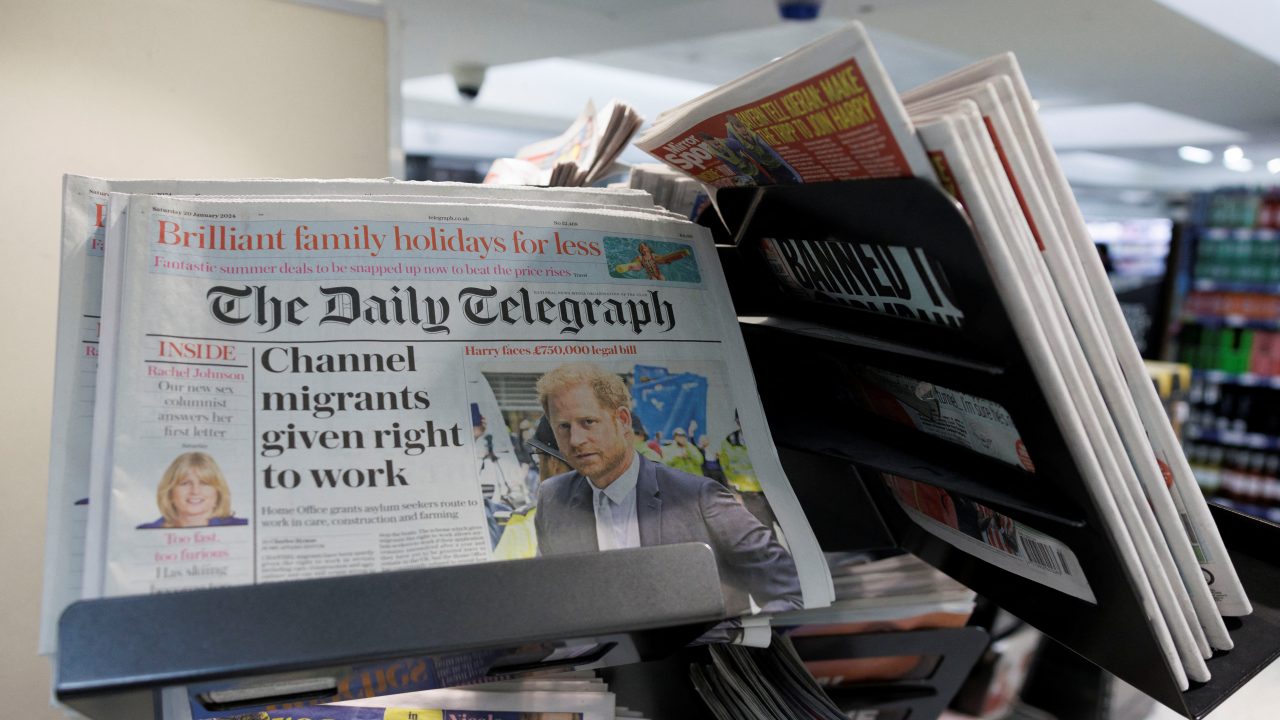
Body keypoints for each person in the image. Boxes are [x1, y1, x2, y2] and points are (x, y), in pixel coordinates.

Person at [532, 362, 802, 615]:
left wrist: (729, 651)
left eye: (588, 422)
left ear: (623, 420)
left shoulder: (698, 498)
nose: (576, 440)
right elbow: (549, 596)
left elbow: (790, 594)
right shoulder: (552, 497)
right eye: (563, 427)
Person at [137, 452, 246, 529]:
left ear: (218, 491)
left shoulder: (243, 526)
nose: (195, 491)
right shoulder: (145, 531)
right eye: (185, 483)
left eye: (204, 483)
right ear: (170, 492)